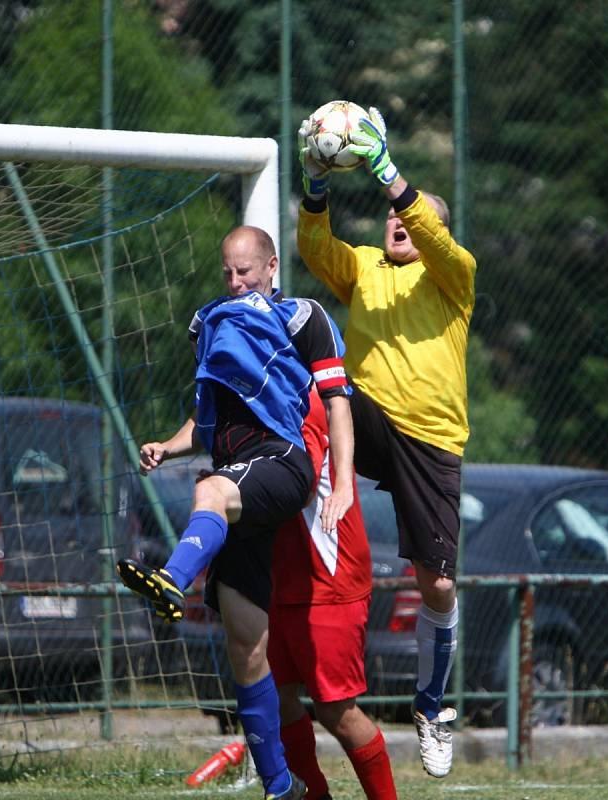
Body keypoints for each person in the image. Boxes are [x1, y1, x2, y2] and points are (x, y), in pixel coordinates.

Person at [117, 225, 354, 800]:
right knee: (245, 644)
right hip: (239, 472)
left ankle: (172, 579)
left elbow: (337, 401)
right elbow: (209, 421)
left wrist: (342, 482)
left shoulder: (302, 317)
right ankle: (280, 784)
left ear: (272, 267)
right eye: (227, 271)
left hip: (282, 463)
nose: (235, 280)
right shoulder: (212, 324)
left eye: (245, 271)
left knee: (210, 493)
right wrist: (168, 446)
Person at [296, 106, 477, 779]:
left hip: (431, 439)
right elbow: (317, 250)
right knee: (316, 391)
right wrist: (317, 185)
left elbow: (427, 225)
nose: (399, 221)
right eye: (393, 217)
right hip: (368, 418)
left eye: (414, 218)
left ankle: (431, 705)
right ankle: (278, 486)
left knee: (437, 584)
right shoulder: (367, 267)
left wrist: (389, 173)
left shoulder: (453, 274)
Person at [269, 387, 397, 800]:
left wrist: (228, 492)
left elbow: (300, 487)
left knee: (335, 709)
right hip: (280, 576)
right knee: (274, 696)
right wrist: (168, 447)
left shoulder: (297, 397)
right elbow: (205, 421)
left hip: (328, 576)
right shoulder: (244, 385)